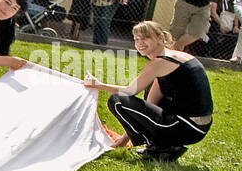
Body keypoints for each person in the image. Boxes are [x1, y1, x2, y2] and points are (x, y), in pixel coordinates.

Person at [85, 20, 213, 162]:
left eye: (145, 38)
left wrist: (98, 84)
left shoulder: (159, 63)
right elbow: (150, 104)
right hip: (197, 127)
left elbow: (129, 91)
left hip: (185, 127)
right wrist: (124, 138)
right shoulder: (174, 56)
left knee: (116, 101)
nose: (140, 43)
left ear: (160, 38)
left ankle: (160, 147)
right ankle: (163, 146)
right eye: (136, 39)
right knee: (148, 89)